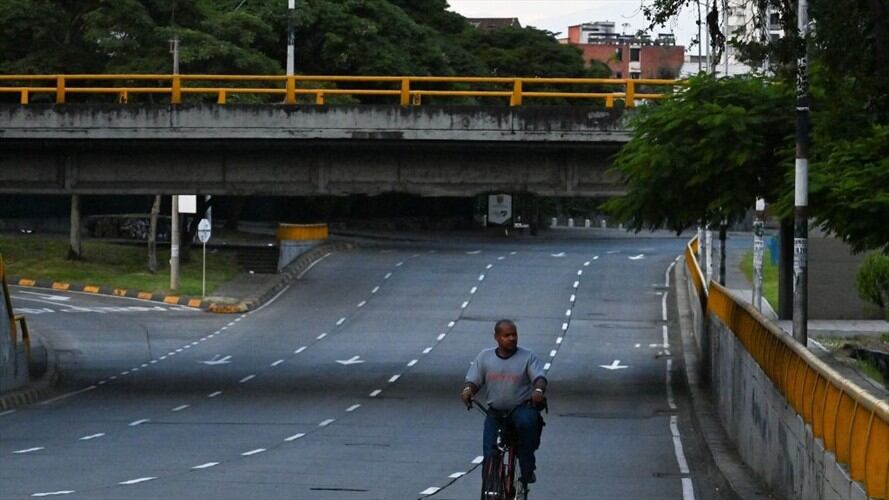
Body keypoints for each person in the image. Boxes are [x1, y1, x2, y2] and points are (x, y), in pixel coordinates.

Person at [461, 319, 547, 484]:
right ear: (496, 337)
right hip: (495, 413)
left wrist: (538, 390)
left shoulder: (527, 356)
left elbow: (539, 378)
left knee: (527, 425)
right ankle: (489, 489)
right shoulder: (485, 357)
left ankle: (527, 469)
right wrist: (468, 391)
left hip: (520, 409)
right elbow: (473, 381)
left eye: (514, 335)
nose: (512, 338)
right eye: (506, 335)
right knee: (489, 452)